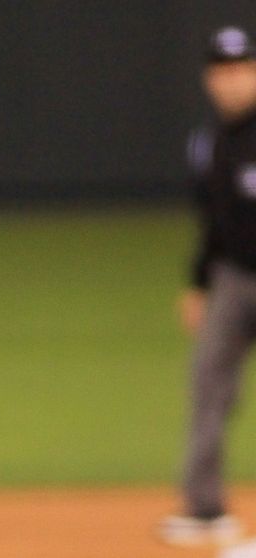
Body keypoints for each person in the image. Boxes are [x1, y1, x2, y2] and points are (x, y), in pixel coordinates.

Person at [159, 26, 256, 547]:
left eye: (241, 68)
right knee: (209, 388)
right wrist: (198, 284)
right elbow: (213, 222)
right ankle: (205, 509)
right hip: (232, 278)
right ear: (209, 78)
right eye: (222, 70)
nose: (232, 80)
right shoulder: (208, 140)